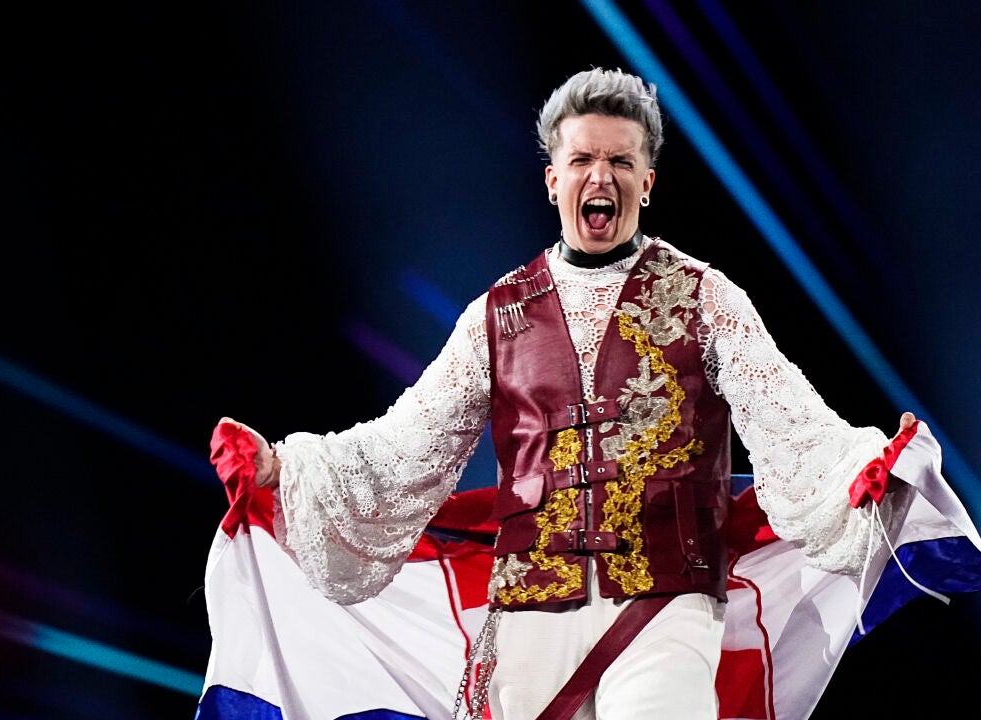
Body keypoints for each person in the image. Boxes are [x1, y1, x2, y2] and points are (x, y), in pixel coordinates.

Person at [222, 67, 916, 720]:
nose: (600, 175)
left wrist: (863, 467)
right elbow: (408, 442)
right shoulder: (496, 315)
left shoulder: (707, 299)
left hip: (665, 603)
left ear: (647, 182)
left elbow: (788, 416)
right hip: (531, 611)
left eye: (620, 161)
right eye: (583, 159)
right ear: (554, 180)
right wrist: (284, 467)